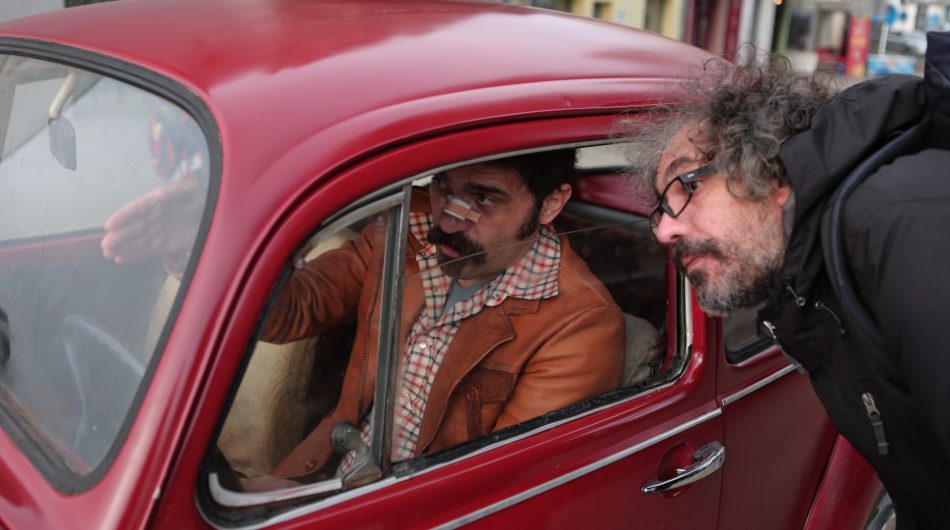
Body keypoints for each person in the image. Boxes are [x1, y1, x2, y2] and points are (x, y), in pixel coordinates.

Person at [102, 149, 625, 485]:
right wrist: (216, 241)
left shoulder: (579, 326)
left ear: (550, 204)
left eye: (483, 198)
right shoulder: (405, 230)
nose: (447, 219)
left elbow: (493, 489)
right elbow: (295, 308)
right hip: (325, 471)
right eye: (444, 186)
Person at [622, 43, 950, 529]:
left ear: (767, 168)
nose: (664, 231)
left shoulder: (901, 226)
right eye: (659, 210)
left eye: (684, 186)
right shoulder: (811, 284)